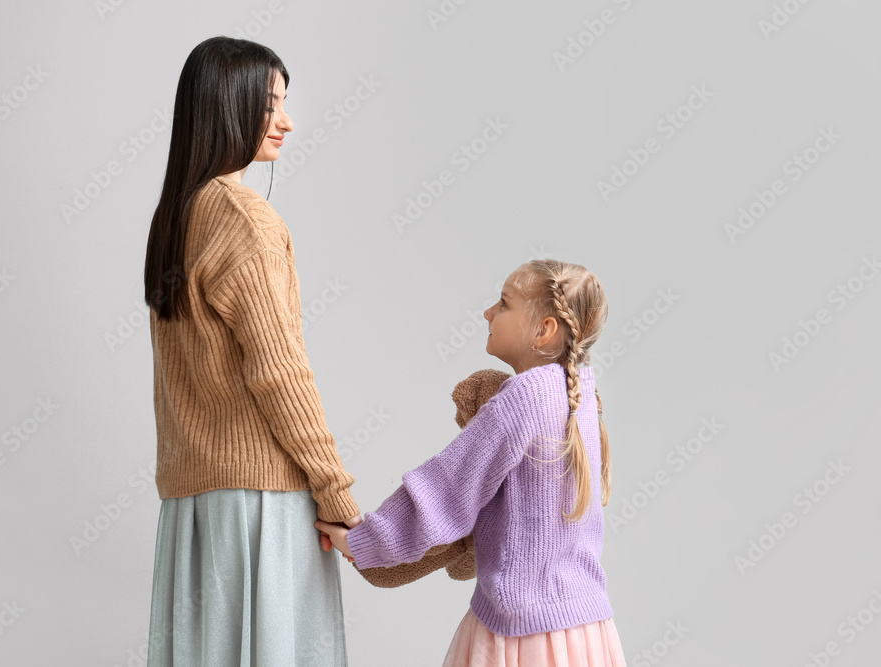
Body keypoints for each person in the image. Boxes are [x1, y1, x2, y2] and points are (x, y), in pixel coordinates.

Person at [142, 36, 361, 666]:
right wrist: (336, 493)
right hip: (260, 504)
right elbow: (280, 372)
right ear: (225, 107)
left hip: (192, 507)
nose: (287, 120)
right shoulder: (243, 217)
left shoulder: (178, 217)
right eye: (270, 104)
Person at [316, 259, 628, 666]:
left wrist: (363, 541)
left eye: (503, 303)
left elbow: (445, 491)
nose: (487, 313)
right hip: (587, 631)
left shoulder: (524, 398)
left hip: (520, 636)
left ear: (544, 330)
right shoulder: (582, 395)